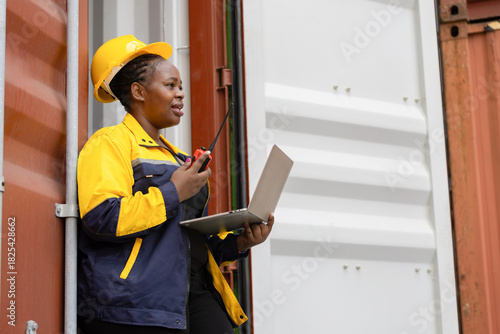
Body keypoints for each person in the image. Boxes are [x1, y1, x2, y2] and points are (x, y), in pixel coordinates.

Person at [76, 35, 273, 334]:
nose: (181, 94)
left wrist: (241, 242)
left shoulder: (178, 158)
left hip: (188, 293)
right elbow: (102, 217)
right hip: (134, 303)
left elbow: (182, 241)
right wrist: (174, 192)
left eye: (180, 86)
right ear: (139, 91)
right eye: (171, 85)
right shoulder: (109, 143)